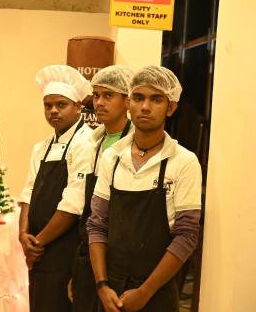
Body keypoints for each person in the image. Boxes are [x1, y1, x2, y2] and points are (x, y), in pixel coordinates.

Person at [87, 66, 202, 312]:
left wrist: (144, 292)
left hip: (156, 294)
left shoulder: (184, 162)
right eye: (138, 98)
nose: (145, 107)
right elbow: (96, 224)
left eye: (156, 99)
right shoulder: (112, 157)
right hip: (110, 292)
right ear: (129, 104)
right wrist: (102, 285)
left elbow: (187, 235)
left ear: (171, 107)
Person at [18, 64, 93, 312]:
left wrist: (37, 243)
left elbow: (73, 204)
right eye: (48, 105)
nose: (53, 111)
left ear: (78, 107)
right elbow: (28, 193)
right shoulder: (42, 146)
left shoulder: (86, 144)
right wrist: (23, 236)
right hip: (38, 251)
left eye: (61, 104)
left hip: (65, 249)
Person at [70, 65, 133, 312]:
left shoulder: (134, 143)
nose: (100, 103)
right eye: (96, 95)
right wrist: (78, 270)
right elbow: (88, 214)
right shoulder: (92, 143)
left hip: (119, 261)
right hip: (88, 255)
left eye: (108, 95)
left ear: (127, 101)